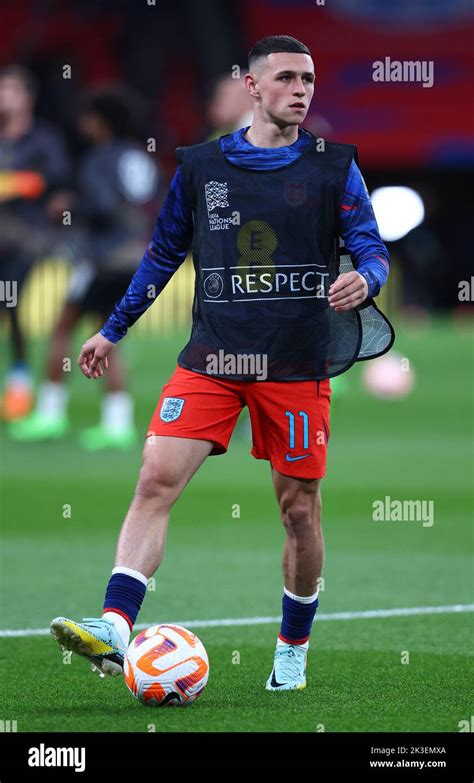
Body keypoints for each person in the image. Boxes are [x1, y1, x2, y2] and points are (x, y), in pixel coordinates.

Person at [50, 35, 393, 692]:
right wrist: (111, 330)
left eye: (310, 79)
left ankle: (292, 648)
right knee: (154, 479)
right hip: (210, 357)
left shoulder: (334, 165)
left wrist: (368, 280)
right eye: (288, 77)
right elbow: (160, 257)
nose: (302, 89)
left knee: (299, 511)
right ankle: (117, 625)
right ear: (254, 86)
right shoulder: (202, 166)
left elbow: (370, 248)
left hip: (294, 362)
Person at [8, 87, 159, 450]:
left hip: (102, 259)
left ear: (102, 123)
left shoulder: (98, 159)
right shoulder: (141, 158)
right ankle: (117, 421)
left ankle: (49, 413)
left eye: (90, 118)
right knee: (109, 334)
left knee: (62, 328)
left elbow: (103, 207)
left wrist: (69, 205)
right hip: (136, 257)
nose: (84, 124)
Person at [0, 65, 70, 421]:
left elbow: (58, 180)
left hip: (26, 239)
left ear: (27, 97)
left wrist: (19, 184)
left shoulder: (43, 138)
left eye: (11, 90)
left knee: (9, 303)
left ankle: (19, 380)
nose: (4, 96)